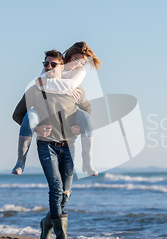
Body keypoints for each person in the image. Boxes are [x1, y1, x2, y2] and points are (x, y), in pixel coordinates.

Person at [12, 49, 92, 239]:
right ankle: (61, 238)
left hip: (69, 146)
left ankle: (46, 223)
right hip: (46, 145)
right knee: (56, 188)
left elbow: (87, 111)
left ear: (61, 66)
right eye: (45, 64)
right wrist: (37, 128)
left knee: (66, 193)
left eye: (52, 64)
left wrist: (78, 127)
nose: (48, 67)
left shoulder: (75, 89)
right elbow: (17, 115)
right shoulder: (36, 89)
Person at [11, 41, 102, 176]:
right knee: (30, 116)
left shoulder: (80, 71)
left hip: (68, 126)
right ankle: (20, 161)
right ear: (70, 54)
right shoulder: (54, 64)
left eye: (82, 62)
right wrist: (67, 89)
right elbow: (41, 82)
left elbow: (81, 100)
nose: (78, 64)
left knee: (86, 117)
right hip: (44, 119)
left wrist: (79, 126)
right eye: (76, 59)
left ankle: (87, 163)